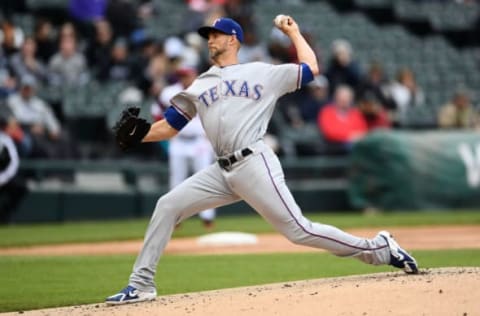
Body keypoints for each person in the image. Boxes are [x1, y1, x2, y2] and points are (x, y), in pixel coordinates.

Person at [106, 16, 418, 305]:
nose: (210, 40)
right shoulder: (201, 83)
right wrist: (139, 135)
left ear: (233, 40)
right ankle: (141, 284)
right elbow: (171, 126)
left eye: (215, 35)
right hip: (220, 170)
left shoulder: (261, 72)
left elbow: (310, 68)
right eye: (208, 36)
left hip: (254, 162)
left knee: (299, 230)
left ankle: (379, 248)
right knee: (167, 205)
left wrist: (293, 33)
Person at [151, 63, 216, 228]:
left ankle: (207, 217)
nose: (184, 78)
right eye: (181, 75)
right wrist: (165, 134)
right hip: (178, 141)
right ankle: (175, 217)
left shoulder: (205, 89)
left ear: (194, 74)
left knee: (206, 179)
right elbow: (157, 113)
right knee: (177, 180)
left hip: (199, 141)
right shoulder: (169, 92)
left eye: (187, 74)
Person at [317, 85, 368, 154]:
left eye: (347, 98)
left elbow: (362, 130)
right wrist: (349, 136)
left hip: (355, 144)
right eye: (342, 97)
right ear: (336, 98)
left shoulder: (356, 113)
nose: (344, 100)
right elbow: (329, 132)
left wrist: (355, 137)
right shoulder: (327, 112)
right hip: (333, 146)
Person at [0, 115, 27, 224]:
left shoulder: (6, 139)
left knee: (20, 187)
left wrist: (2, 179)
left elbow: (13, 162)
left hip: (4, 177)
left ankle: (5, 216)